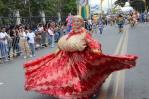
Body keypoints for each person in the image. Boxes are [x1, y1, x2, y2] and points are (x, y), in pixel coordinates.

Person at [24, 15, 138, 99]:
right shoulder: (69, 34)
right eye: (74, 21)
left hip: (81, 60)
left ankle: (82, 92)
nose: (76, 23)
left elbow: (93, 42)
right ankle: (72, 92)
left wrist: (96, 49)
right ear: (72, 23)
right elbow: (63, 43)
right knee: (63, 76)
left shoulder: (85, 33)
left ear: (81, 23)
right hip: (68, 60)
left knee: (82, 76)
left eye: (78, 21)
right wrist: (58, 49)